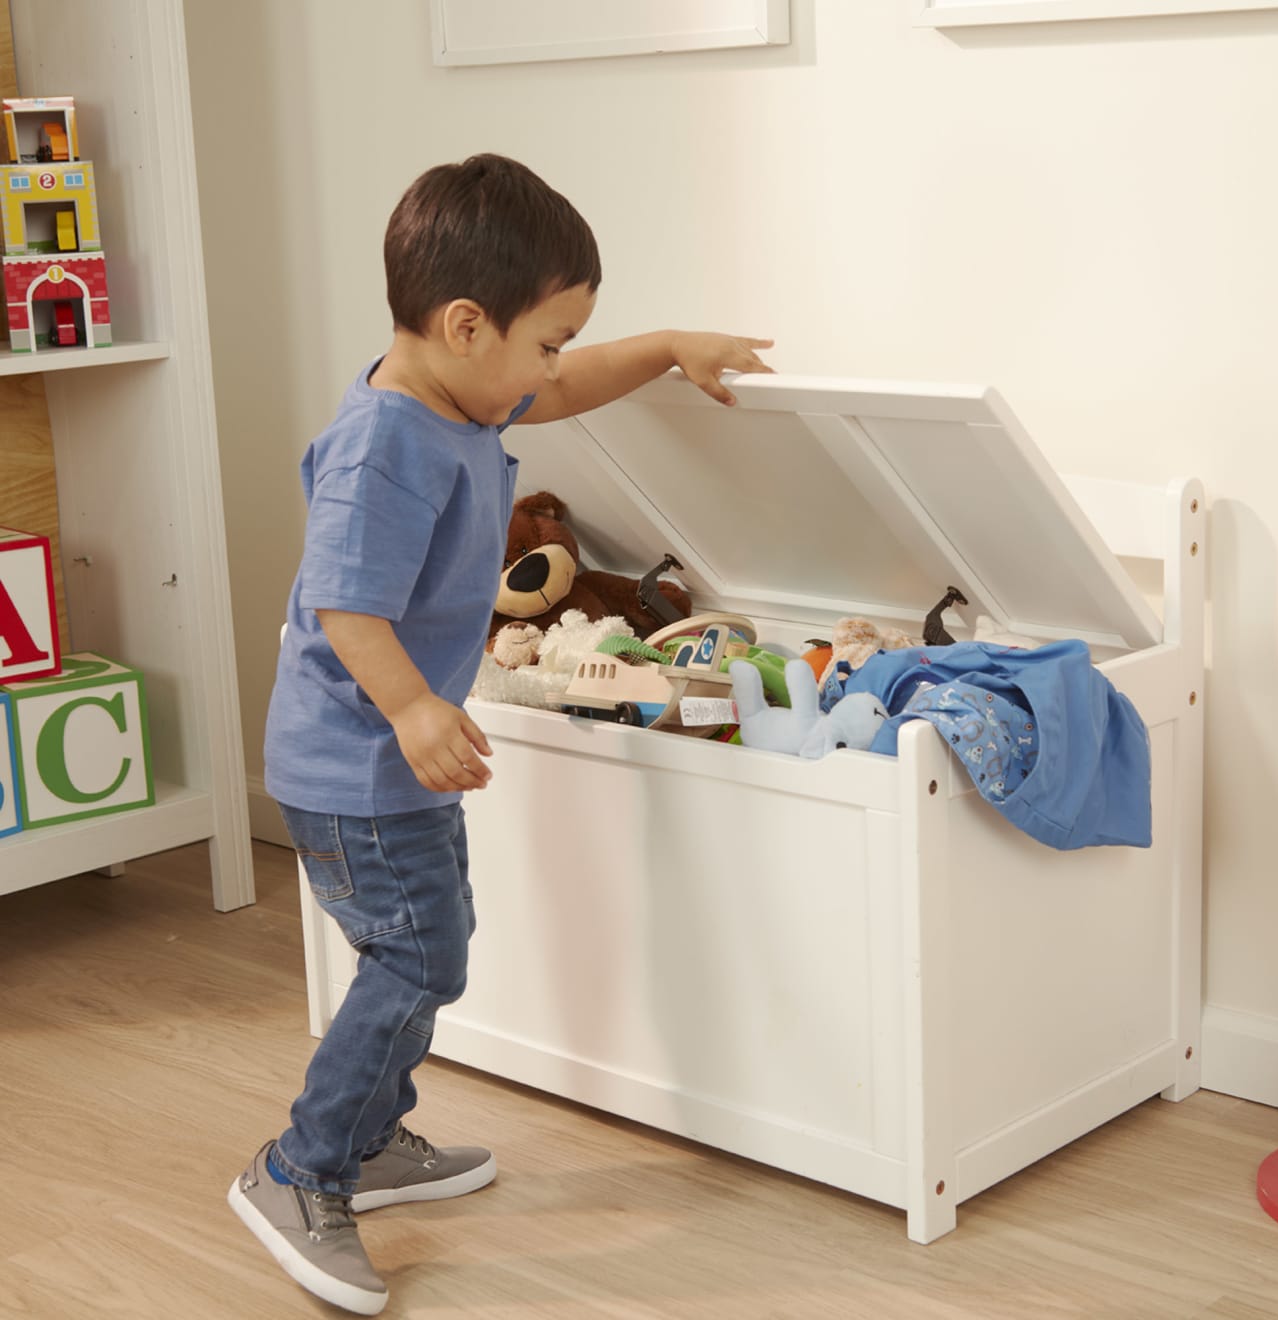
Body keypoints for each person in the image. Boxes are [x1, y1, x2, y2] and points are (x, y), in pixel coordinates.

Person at [227, 153, 773, 1315]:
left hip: (392, 758)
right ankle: (299, 1169)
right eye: (549, 339)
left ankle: (372, 1145)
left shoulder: (458, 393)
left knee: (437, 943)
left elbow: (568, 396)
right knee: (420, 956)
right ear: (468, 325)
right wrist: (419, 705)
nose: (556, 367)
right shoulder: (388, 445)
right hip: (357, 758)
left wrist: (670, 342)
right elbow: (345, 604)